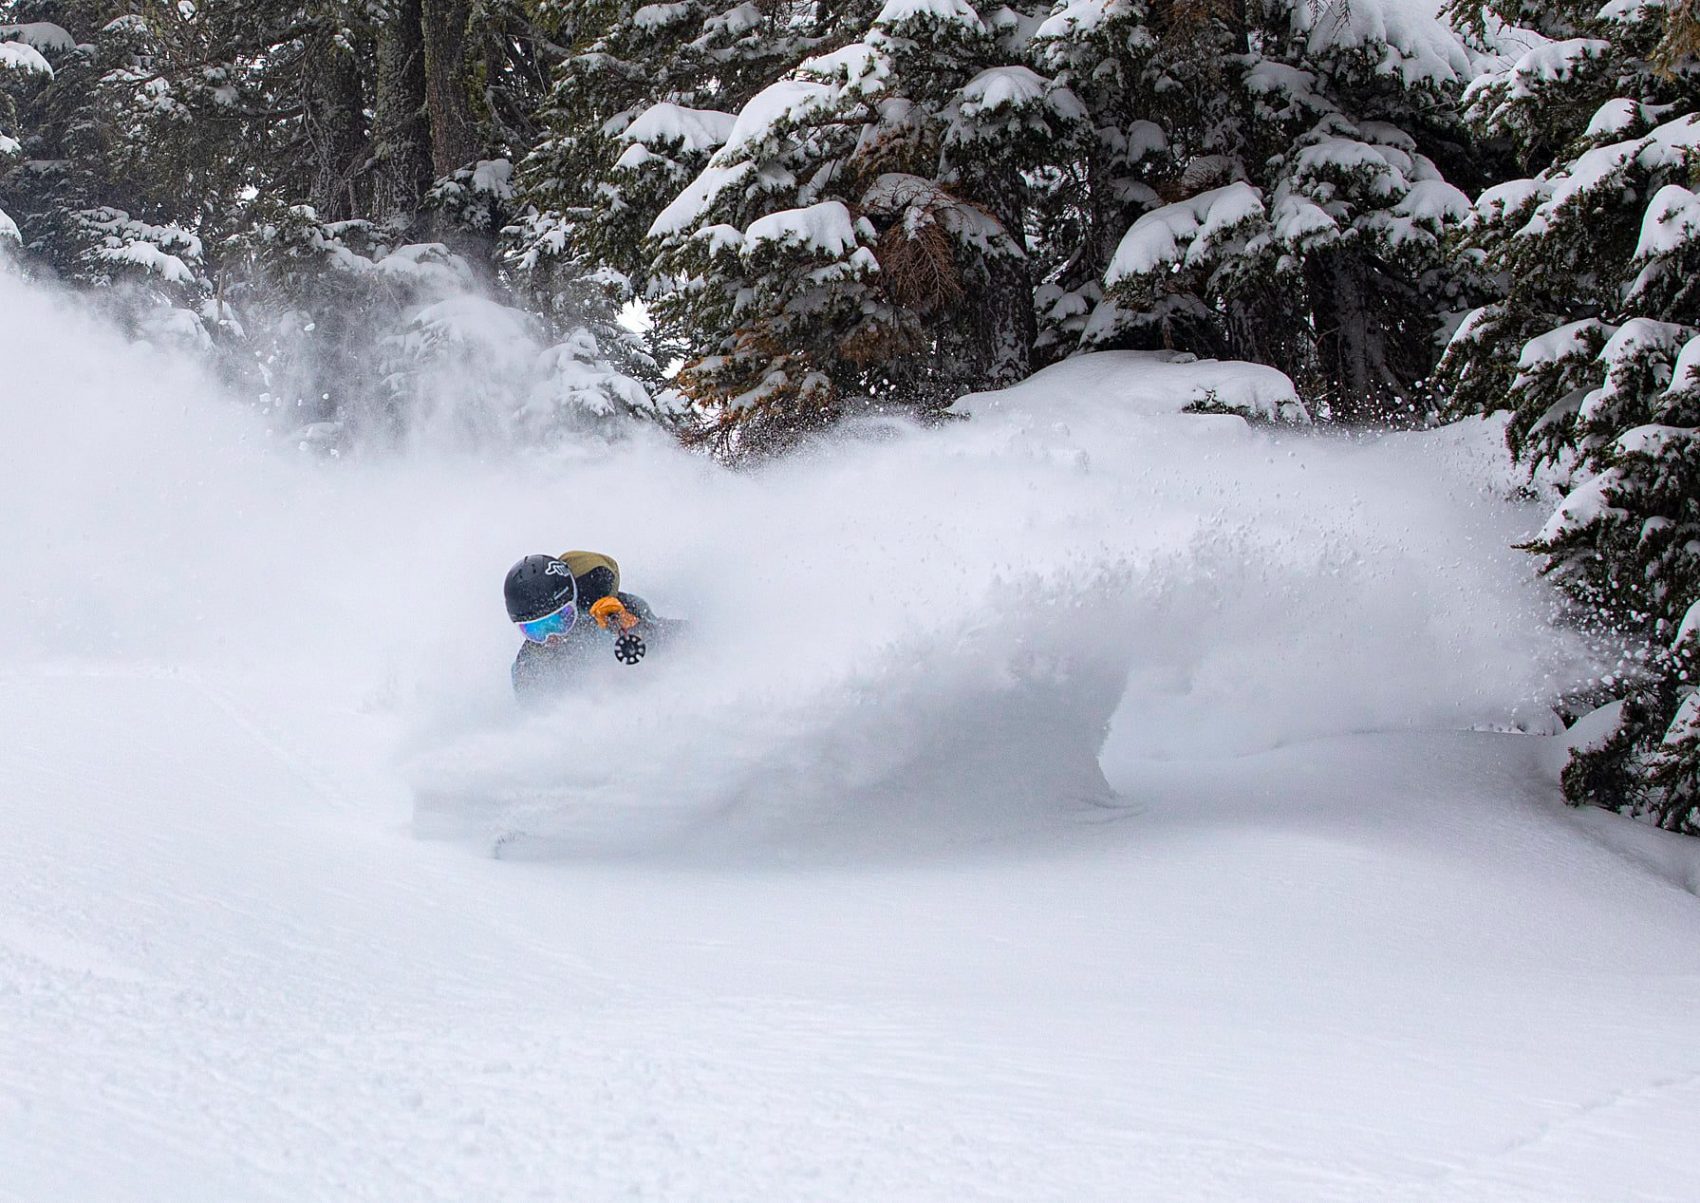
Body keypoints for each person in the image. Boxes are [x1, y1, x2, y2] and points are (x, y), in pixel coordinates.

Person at [503, 551, 678, 701]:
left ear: (574, 601)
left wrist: (636, 628)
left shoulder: (613, 612)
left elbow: (677, 640)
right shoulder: (529, 667)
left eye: (559, 620)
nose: (551, 636)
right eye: (535, 630)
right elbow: (532, 716)